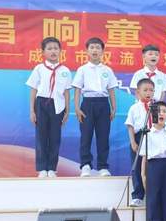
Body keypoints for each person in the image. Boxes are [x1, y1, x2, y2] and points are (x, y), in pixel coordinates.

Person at [26, 37, 72, 178]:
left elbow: (66, 92)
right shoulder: (39, 69)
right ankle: (42, 168)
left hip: (58, 105)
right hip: (41, 103)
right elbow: (33, 89)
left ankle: (52, 168)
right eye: (49, 48)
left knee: (55, 137)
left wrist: (67, 110)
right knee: (41, 137)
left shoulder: (65, 70)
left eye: (56, 48)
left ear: (60, 51)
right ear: (43, 52)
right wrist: (32, 110)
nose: (53, 51)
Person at [73, 37, 117, 177]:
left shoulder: (107, 70)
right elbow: (77, 89)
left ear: (102, 51)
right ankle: (85, 165)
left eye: (98, 47)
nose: (95, 50)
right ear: (87, 51)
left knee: (103, 136)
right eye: (92, 47)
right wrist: (77, 108)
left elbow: (111, 89)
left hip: (103, 104)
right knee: (86, 136)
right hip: (87, 104)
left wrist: (113, 107)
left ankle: (103, 166)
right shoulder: (82, 69)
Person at [125, 78, 155, 206]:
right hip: (139, 137)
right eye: (145, 90)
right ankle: (138, 195)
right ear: (138, 92)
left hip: (153, 138)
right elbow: (130, 126)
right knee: (137, 167)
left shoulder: (156, 107)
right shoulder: (134, 108)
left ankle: (153, 194)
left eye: (151, 90)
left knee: (152, 167)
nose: (148, 93)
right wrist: (133, 142)